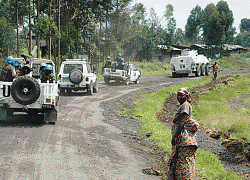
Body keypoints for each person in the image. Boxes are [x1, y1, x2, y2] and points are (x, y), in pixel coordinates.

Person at [166, 87, 199, 180]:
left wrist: (174, 136)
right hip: (183, 140)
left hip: (183, 140)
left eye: (181, 95)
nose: (179, 97)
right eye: (178, 94)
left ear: (187, 96)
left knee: (183, 162)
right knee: (178, 161)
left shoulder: (185, 105)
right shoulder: (184, 105)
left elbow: (182, 121)